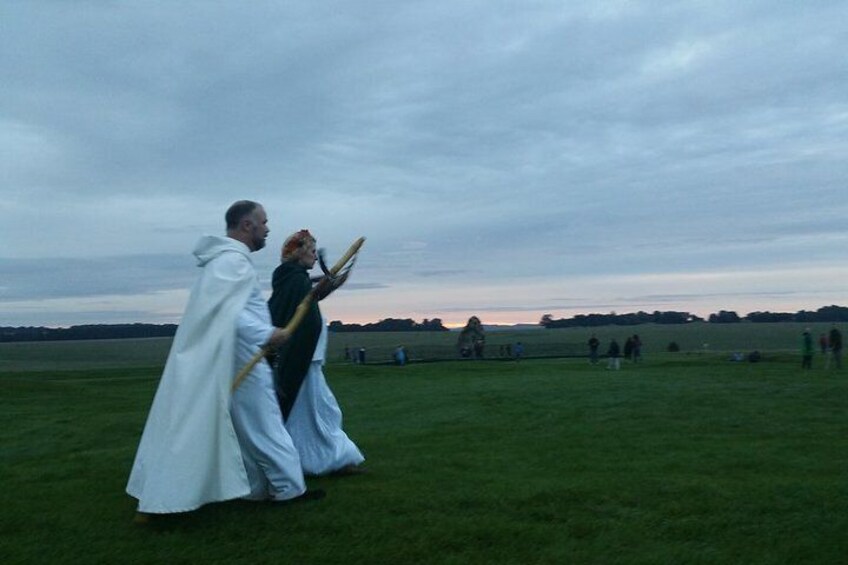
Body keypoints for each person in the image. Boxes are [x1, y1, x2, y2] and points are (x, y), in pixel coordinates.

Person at [127, 201, 321, 515]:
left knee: (250, 426)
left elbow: (235, 310)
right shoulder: (231, 263)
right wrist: (269, 334)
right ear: (247, 225)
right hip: (243, 356)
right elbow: (228, 314)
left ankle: (257, 488)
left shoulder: (228, 262)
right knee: (265, 422)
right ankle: (288, 489)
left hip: (235, 355)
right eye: (264, 222)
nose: (268, 229)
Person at [268, 229, 365, 476]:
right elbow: (303, 307)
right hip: (302, 360)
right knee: (314, 414)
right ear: (298, 254)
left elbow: (311, 297)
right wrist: (328, 283)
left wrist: (333, 281)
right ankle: (321, 461)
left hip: (309, 361)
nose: (313, 255)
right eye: (310, 250)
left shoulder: (294, 279)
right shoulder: (293, 279)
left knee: (322, 412)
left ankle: (333, 459)